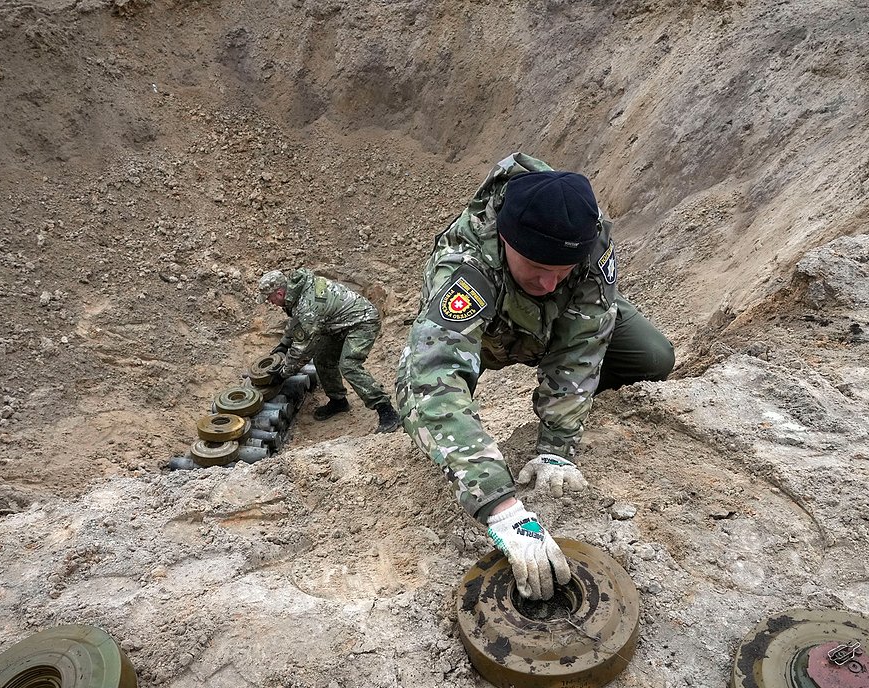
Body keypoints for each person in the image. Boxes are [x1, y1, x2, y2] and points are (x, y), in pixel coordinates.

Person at [396, 153, 675, 600]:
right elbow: (431, 379)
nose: (550, 282)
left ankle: (570, 415)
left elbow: (585, 337)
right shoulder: (467, 264)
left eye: (561, 273)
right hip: (489, 332)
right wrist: (502, 507)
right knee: (434, 403)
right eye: (538, 270)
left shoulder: (587, 232)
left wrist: (556, 447)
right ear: (508, 240)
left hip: (554, 325)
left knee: (652, 356)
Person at [258, 267, 401, 434]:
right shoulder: (298, 290)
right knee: (322, 359)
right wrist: (284, 343)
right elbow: (298, 322)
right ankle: (338, 401)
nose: (271, 303)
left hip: (363, 322)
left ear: (280, 293)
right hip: (339, 323)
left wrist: (282, 373)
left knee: (349, 365)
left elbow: (302, 350)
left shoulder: (308, 306)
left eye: (269, 299)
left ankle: (386, 410)